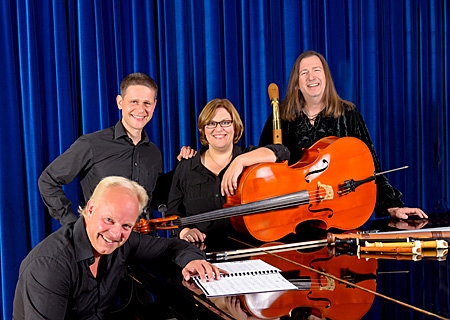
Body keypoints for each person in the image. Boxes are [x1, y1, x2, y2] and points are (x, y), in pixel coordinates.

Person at [13, 176, 221, 319]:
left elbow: (172, 246)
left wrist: (193, 259)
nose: (115, 234)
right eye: (109, 219)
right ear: (90, 208)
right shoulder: (50, 265)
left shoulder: (123, 243)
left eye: (126, 226)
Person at [259, 50, 427, 220]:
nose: (311, 77)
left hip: (340, 215)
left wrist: (393, 207)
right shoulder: (279, 118)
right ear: (296, 84)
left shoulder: (349, 115)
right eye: (304, 72)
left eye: (317, 70)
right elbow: (264, 166)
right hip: (293, 215)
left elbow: (371, 169)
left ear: (326, 78)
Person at [39, 72, 166, 225]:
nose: (141, 109)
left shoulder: (153, 153)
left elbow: (158, 197)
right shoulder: (92, 144)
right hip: (102, 242)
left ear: (154, 105)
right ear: (120, 102)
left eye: (147, 103)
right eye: (134, 102)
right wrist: (73, 224)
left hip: (142, 240)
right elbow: (48, 180)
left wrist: (185, 165)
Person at [166, 98, 290, 244]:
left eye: (225, 122)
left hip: (248, 251)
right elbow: (173, 215)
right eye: (211, 123)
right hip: (200, 255)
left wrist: (240, 161)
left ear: (235, 126)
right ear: (203, 130)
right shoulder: (186, 167)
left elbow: (282, 152)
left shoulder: (250, 160)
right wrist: (185, 231)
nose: (219, 129)